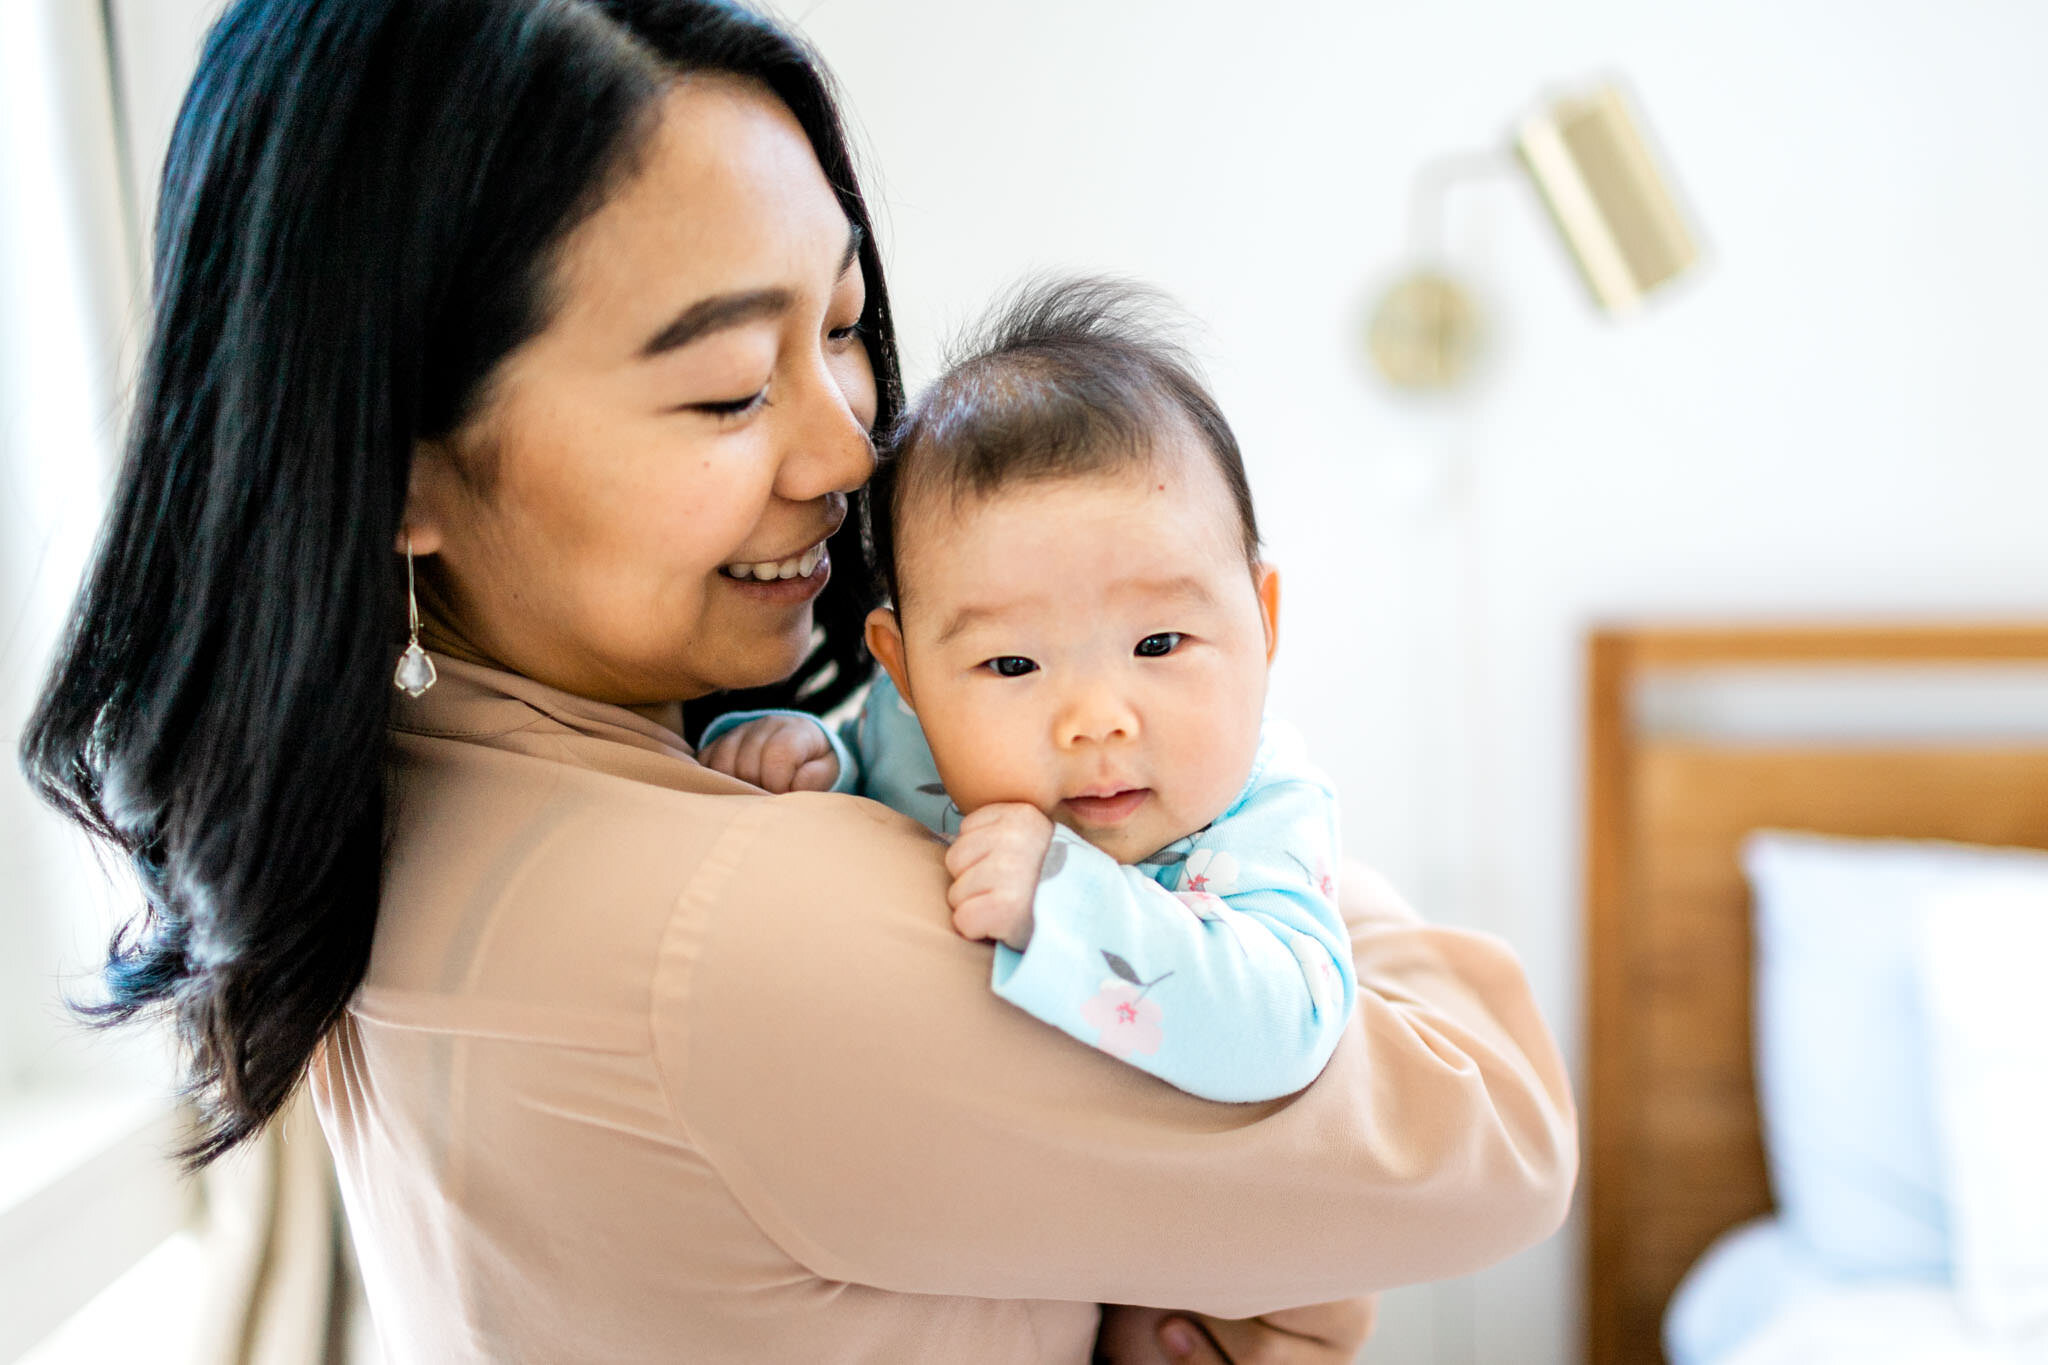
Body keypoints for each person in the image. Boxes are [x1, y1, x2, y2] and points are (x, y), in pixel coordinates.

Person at [18, 1, 1577, 1362]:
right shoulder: (751, 927)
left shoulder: (419, 791)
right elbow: (1493, 1126)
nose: (853, 452)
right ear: (396, 463)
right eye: (721, 389)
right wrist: (1237, 759)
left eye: (842, 327)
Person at [698, 278, 1357, 1104]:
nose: (1096, 722)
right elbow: (866, 773)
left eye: (1157, 643)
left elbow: (1289, 1021)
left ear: (1262, 624)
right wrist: (817, 762)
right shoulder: (906, 731)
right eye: (1013, 666)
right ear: (905, 675)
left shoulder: (1262, 810)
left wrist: (1069, 903)